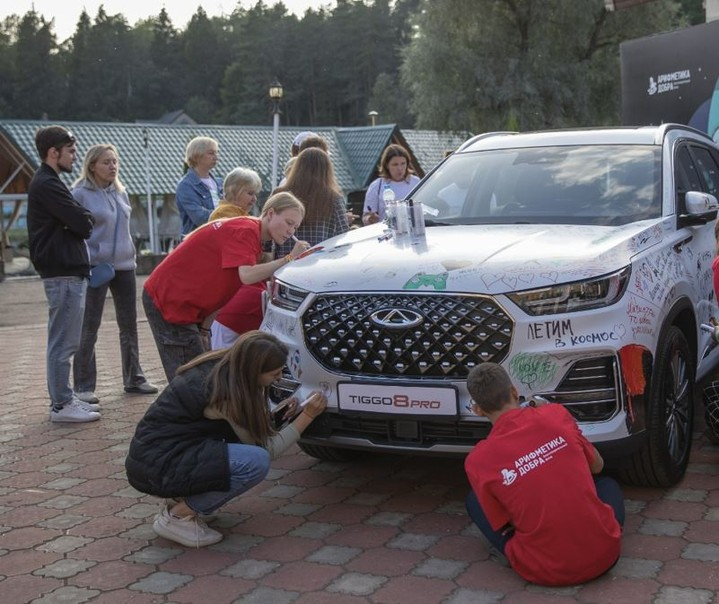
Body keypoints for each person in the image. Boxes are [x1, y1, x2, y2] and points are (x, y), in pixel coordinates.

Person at [125, 331, 328, 548]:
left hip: (156, 458)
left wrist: (275, 418)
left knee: (242, 453)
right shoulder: (224, 393)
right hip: (158, 467)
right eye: (274, 374)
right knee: (255, 461)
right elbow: (267, 449)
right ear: (253, 371)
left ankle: (180, 503)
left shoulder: (221, 368)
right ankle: (179, 516)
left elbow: (238, 430)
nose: (278, 379)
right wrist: (308, 417)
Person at [464, 363, 623, 586]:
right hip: (605, 556)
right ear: (513, 392)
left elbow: (502, 521)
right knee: (607, 485)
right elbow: (597, 466)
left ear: (478, 410)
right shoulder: (555, 414)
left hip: (544, 571)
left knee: (473, 500)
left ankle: (522, 552)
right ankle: (593, 533)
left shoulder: (478, 460)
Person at [142, 192, 310, 381]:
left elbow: (227, 286)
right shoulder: (245, 230)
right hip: (169, 299)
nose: (291, 232)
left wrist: (206, 327)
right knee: (188, 377)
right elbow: (246, 276)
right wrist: (288, 259)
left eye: (295, 227)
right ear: (270, 213)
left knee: (198, 373)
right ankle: (180, 410)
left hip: (181, 302)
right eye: (289, 223)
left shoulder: (250, 233)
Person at [212, 149, 350, 350]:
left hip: (280, 272)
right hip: (320, 270)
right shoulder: (333, 198)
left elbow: (264, 235)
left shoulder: (281, 193)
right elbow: (342, 238)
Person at [71, 144, 158, 404]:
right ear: (91, 166)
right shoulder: (79, 194)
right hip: (96, 267)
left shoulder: (121, 192)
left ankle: (133, 378)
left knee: (129, 324)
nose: (112, 166)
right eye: (106, 162)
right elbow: (76, 233)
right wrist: (87, 260)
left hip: (125, 266)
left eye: (115, 161)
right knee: (90, 326)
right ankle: (84, 385)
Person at [26, 125, 100, 423]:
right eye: (70, 151)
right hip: (63, 272)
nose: (74, 156)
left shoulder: (49, 182)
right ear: (53, 152)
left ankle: (64, 400)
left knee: (63, 339)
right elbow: (83, 223)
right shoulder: (47, 183)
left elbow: (81, 219)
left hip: (65, 271)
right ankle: (61, 404)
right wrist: (80, 219)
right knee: (64, 342)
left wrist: (80, 218)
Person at [362, 144, 421, 225]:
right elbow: (366, 216)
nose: (399, 168)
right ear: (387, 165)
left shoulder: (416, 182)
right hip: (386, 231)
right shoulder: (377, 186)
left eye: (403, 163)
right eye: (395, 164)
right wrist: (370, 219)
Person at [175, 136, 223, 235]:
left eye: (216, 152)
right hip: (197, 243)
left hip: (218, 239)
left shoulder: (220, 183)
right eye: (211, 153)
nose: (216, 157)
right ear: (197, 155)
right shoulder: (186, 186)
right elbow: (199, 217)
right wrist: (227, 213)